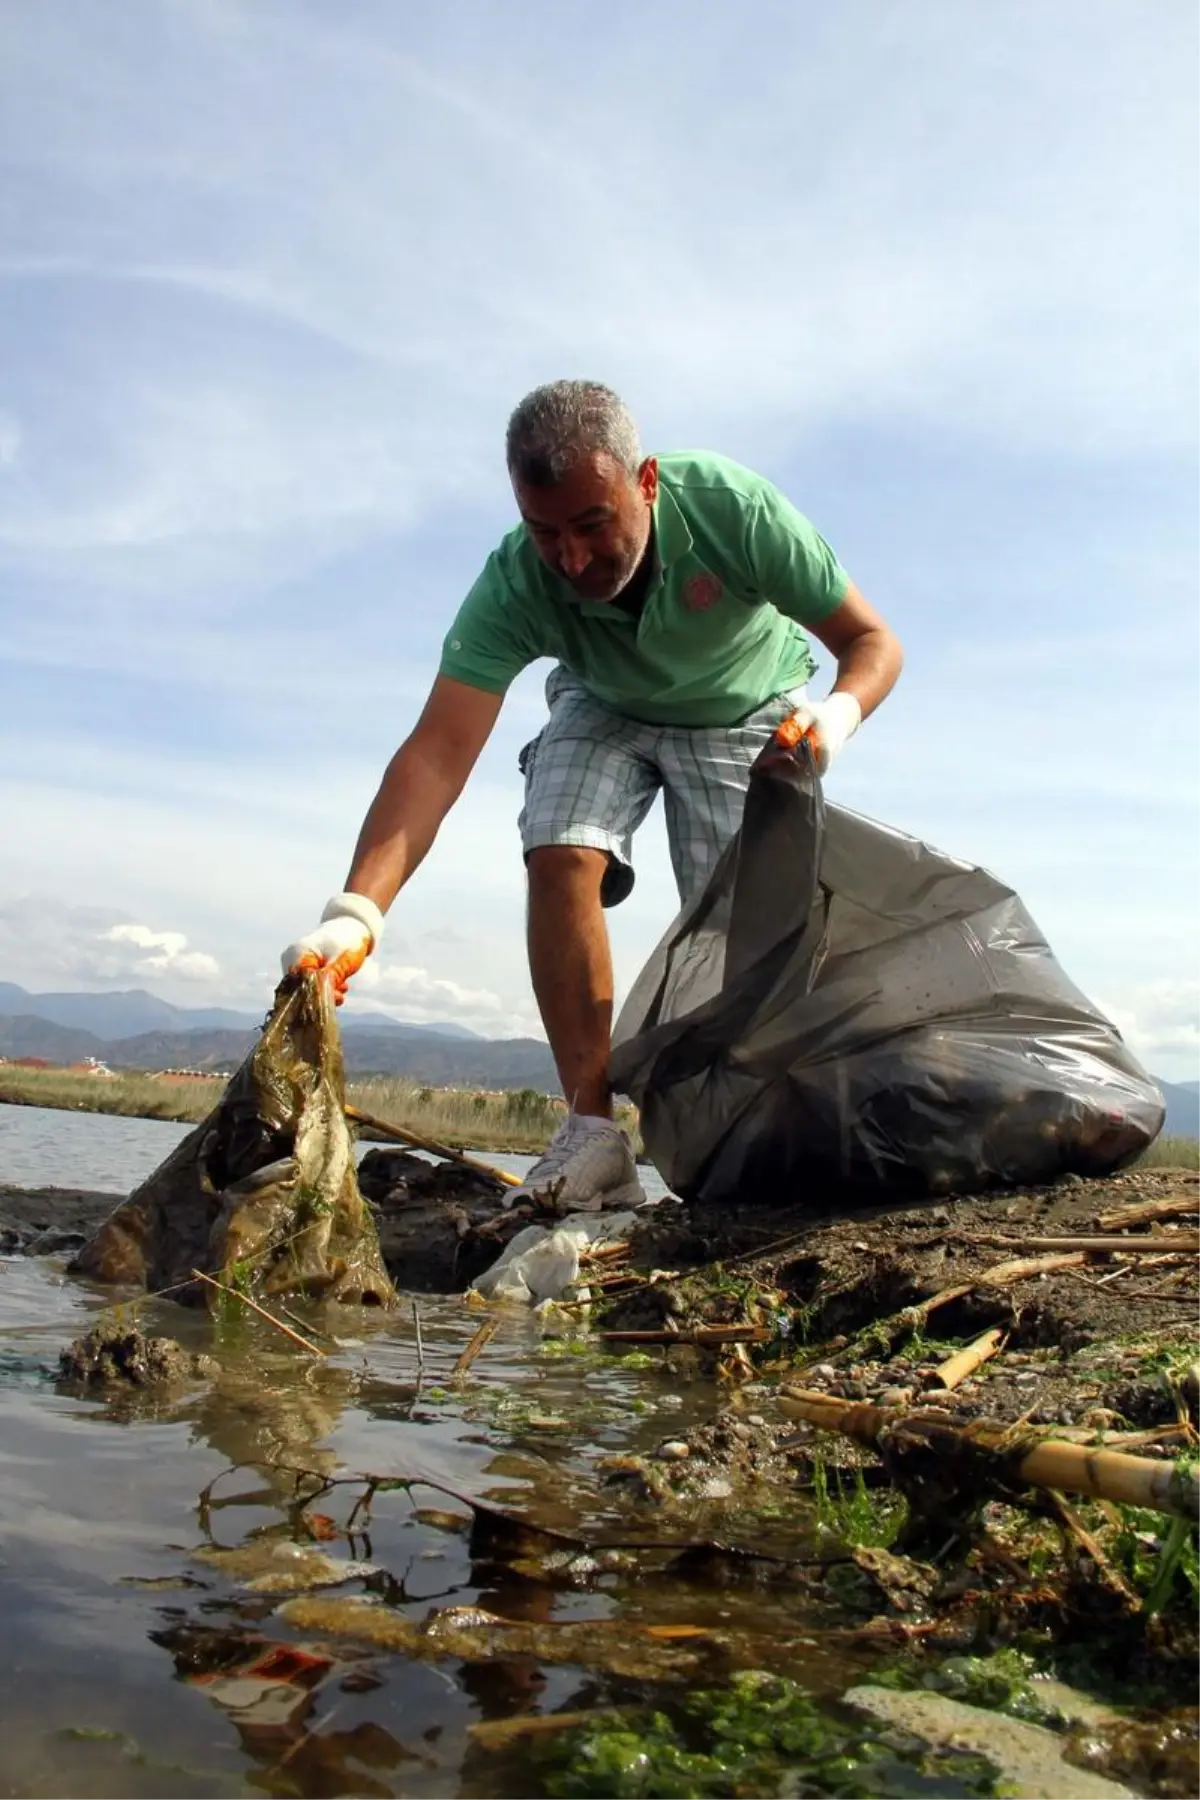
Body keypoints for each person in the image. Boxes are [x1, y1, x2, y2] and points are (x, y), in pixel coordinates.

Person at [284, 380, 903, 1211]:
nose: (571, 560)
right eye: (545, 533)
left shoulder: (734, 511)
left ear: (644, 484)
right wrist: (355, 913)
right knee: (560, 846)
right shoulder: (514, 583)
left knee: (746, 928)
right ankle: (593, 1135)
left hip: (746, 708)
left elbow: (872, 642)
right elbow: (437, 752)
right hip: (603, 706)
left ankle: (765, 1132)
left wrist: (837, 715)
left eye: (591, 526)